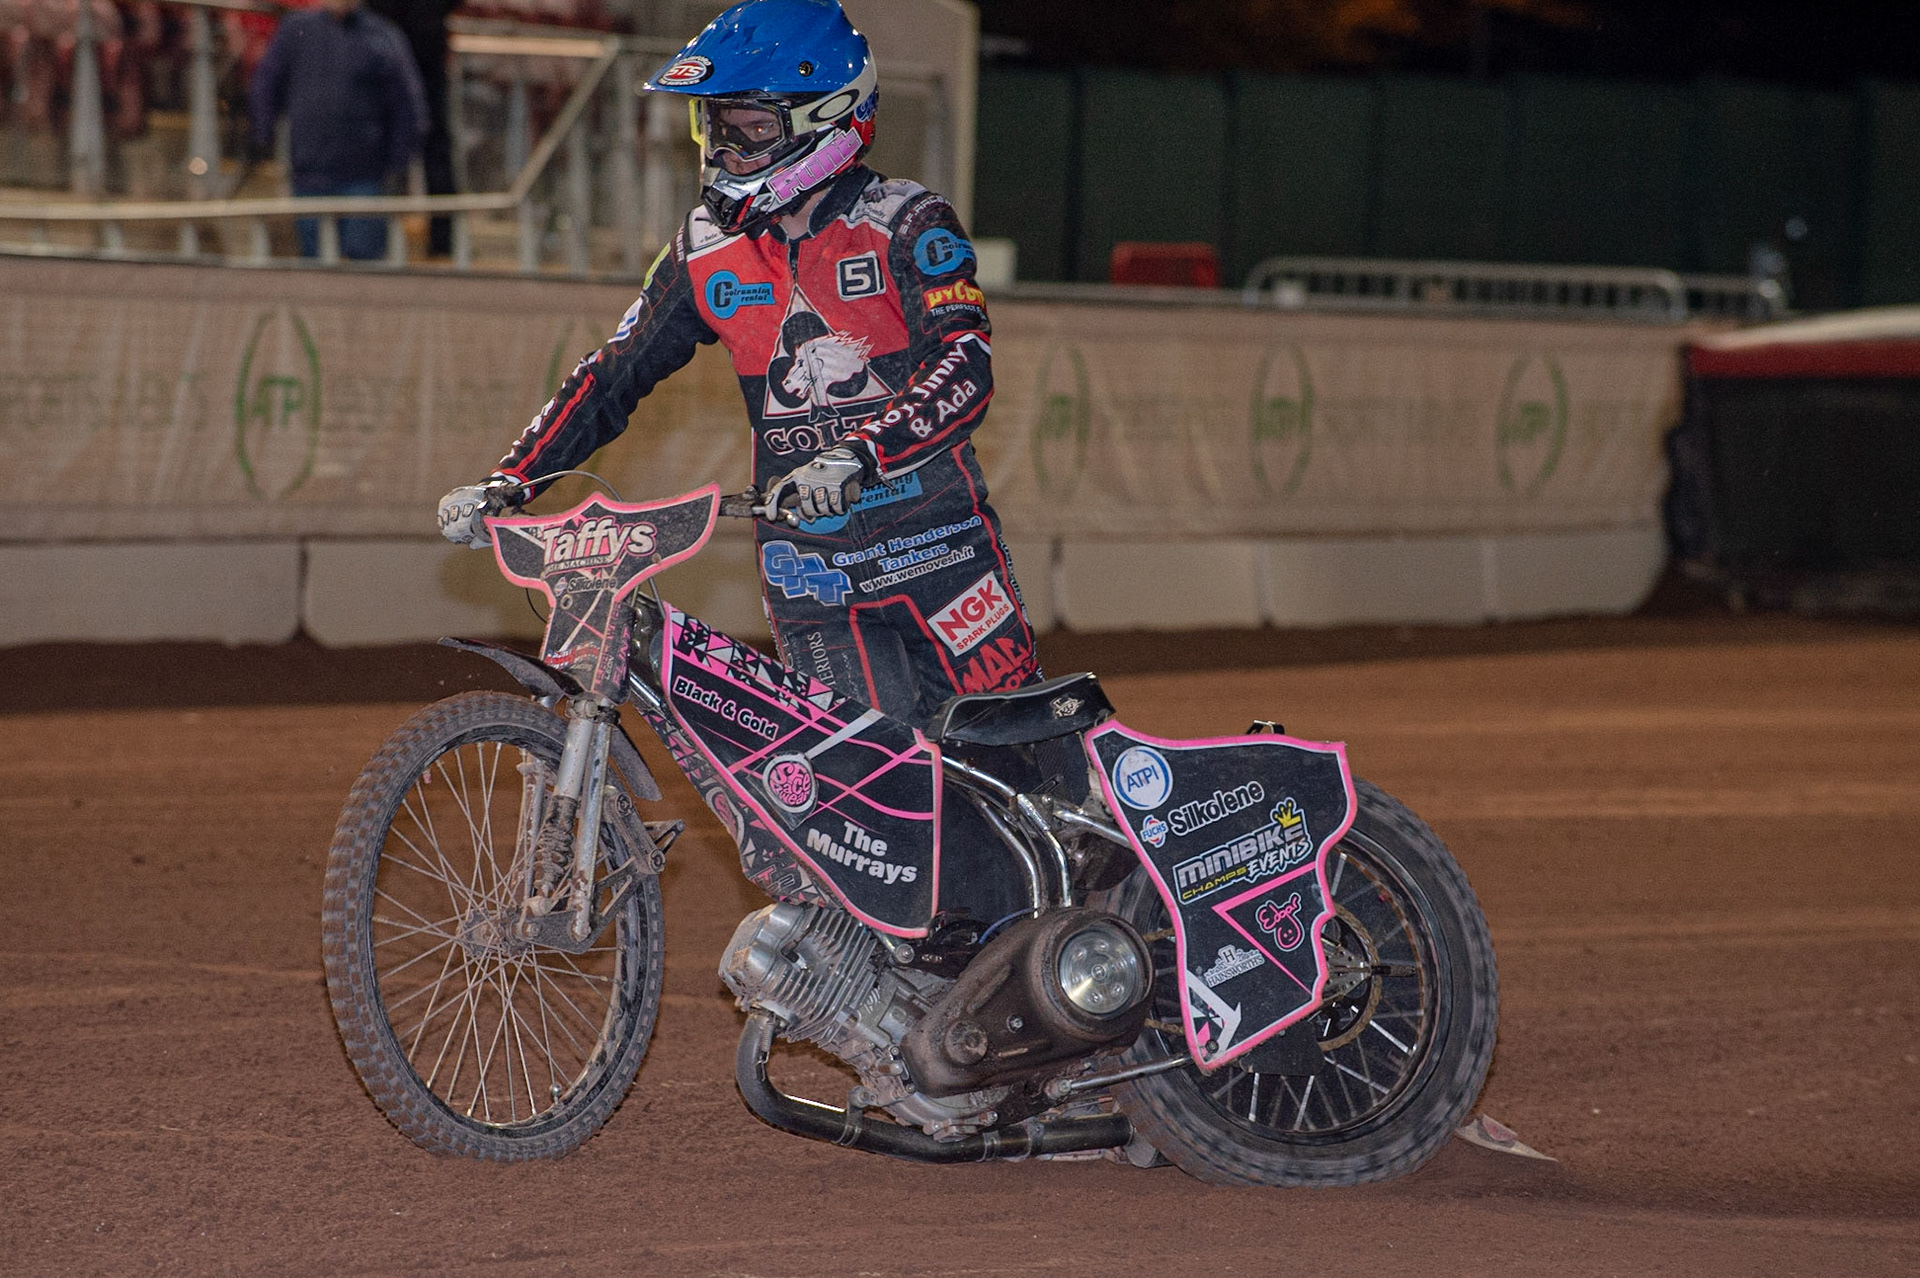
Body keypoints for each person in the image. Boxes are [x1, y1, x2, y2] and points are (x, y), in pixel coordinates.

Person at [438, 0, 1041, 729]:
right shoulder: (703, 248)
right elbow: (612, 374)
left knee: (1013, 752)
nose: (724, 151)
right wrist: (512, 477)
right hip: (807, 570)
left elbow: (965, 360)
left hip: (937, 546)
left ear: (831, 118)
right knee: (857, 792)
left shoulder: (906, 220)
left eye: (751, 130)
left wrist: (861, 455)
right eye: (716, 127)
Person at [247, 0, 426, 261]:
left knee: (363, 263)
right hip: (309, 172)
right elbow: (267, 82)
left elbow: (407, 105)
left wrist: (399, 163)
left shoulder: (382, 36)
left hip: (365, 176)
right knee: (313, 261)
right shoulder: (297, 30)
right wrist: (261, 134)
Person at [365, 0, 460, 256]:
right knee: (391, 148)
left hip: (409, 42)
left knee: (431, 152)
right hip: (399, 40)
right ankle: (381, 240)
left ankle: (441, 243)